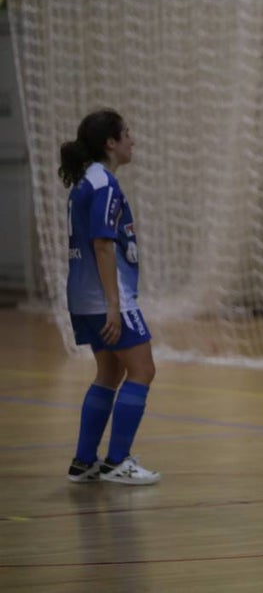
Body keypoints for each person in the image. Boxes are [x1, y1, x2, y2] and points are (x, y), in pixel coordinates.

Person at [60, 108, 161, 486]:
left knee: (110, 372)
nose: (133, 140)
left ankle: (84, 461)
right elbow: (102, 245)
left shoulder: (85, 181)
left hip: (83, 297)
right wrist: (114, 306)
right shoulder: (103, 183)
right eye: (127, 133)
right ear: (110, 143)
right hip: (105, 298)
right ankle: (117, 461)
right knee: (143, 370)